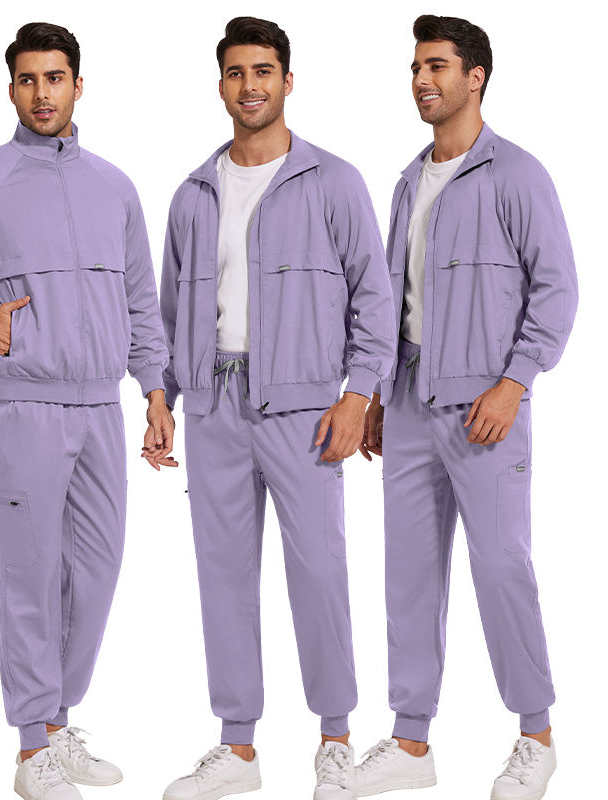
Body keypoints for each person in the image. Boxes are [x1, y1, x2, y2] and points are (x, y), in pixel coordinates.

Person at [0, 22, 174, 800]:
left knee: (97, 571)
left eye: (55, 79)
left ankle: (56, 722)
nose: (42, 94)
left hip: (102, 408)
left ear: (78, 86)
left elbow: (140, 300)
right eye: (27, 80)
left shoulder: (115, 187)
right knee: (29, 574)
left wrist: (155, 391)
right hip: (24, 407)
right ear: (11, 88)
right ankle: (29, 750)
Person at [152, 16, 395, 800]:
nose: (249, 85)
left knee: (319, 571)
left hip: (305, 409)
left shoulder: (333, 182)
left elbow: (375, 299)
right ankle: (238, 748)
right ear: (220, 85)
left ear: (288, 81)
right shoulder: (193, 194)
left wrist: (359, 394)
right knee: (223, 576)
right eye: (235, 72)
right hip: (213, 406)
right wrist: (161, 398)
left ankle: (335, 739)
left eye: (263, 71)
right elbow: (168, 312)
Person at [356, 14, 578, 800]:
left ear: (475, 76)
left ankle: (536, 735)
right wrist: (377, 394)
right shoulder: (407, 182)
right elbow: (391, 299)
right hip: (410, 405)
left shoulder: (516, 175)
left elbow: (557, 290)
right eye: (416, 67)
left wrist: (514, 383)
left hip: (486, 408)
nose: (422, 80)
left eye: (438, 66)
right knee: (409, 577)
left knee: (502, 568)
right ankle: (410, 742)